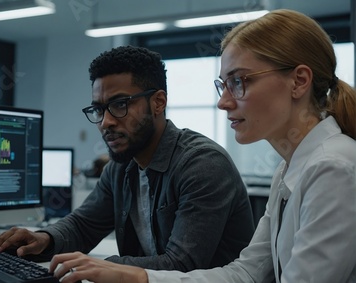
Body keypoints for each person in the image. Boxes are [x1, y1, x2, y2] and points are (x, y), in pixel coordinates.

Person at [48, 9, 356, 283]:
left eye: (239, 81)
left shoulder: (332, 168)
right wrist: (138, 275)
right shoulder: (289, 170)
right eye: (224, 85)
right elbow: (246, 273)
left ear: (299, 81)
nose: (223, 102)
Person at [0, 45, 255, 272]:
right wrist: (43, 238)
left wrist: (97, 265)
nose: (105, 122)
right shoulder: (121, 166)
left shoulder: (202, 165)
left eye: (120, 105)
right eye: (99, 109)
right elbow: (83, 225)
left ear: (158, 102)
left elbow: (182, 264)